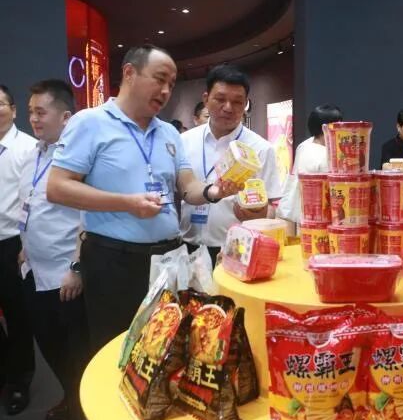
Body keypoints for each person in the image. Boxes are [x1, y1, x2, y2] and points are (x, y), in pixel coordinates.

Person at [46, 45, 239, 353]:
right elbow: (57, 187)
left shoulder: (168, 134)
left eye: (171, 84)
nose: (165, 91)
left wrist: (213, 191)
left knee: (166, 347)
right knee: (118, 348)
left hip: (168, 259)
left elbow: (187, 185)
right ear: (129, 73)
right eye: (159, 79)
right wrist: (127, 203)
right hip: (114, 262)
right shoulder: (90, 122)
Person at [19, 79, 91, 420]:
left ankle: (84, 416)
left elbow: (87, 219)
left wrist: (77, 268)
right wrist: (25, 247)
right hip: (33, 270)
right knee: (48, 344)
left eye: (41, 112)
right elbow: (30, 205)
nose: (33, 118)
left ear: (65, 117)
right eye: (31, 112)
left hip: (65, 275)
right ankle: (68, 397)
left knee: (77, 351)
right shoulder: (34, 154)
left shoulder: (80, 159)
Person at [179, 64, 282, 265]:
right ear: (206, 99)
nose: (228, 107)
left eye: (237, 102)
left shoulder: (261, 148)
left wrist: (259, 214)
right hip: (186, 247)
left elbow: (270, 208)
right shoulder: (184, 141)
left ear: (246, 104)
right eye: (220, 99)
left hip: (235, 250)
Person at [0, 84, 36, 415]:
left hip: (11, 243)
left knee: (17, 314)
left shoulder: (28, 148)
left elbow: (33, 200)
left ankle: (19, 379)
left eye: (0, 104)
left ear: (13, 109)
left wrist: (26, 246)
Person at [277, 104, 343, 224]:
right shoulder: (326, 156)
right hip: (315, 218)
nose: (342, 129)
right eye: (337, 125)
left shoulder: (304, 145)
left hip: (295, 213)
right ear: (325, 128)